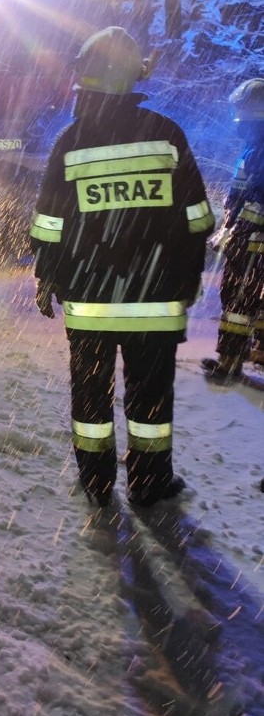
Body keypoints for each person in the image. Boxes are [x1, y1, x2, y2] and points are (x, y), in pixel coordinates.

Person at [29, 27, 215, 508]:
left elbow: (48, 224)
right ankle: (149, 484)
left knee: (91, 398)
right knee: (150, 401)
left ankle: (95, 481)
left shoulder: (69, 143)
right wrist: (187, 275)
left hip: (89, 302)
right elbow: (198, 219)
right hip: (155, 301)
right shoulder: (166, 134)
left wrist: (47, 275)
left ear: (85, 85)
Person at [202, 79, 264, 384]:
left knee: (239, 300)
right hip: (249, 241)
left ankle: (230, 363)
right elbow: (242, 193)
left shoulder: (260, 150)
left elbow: (256, 200)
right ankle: (251, 355)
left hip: (251, 245)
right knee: (251, 300)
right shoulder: (255, 148)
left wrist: (238, 230)